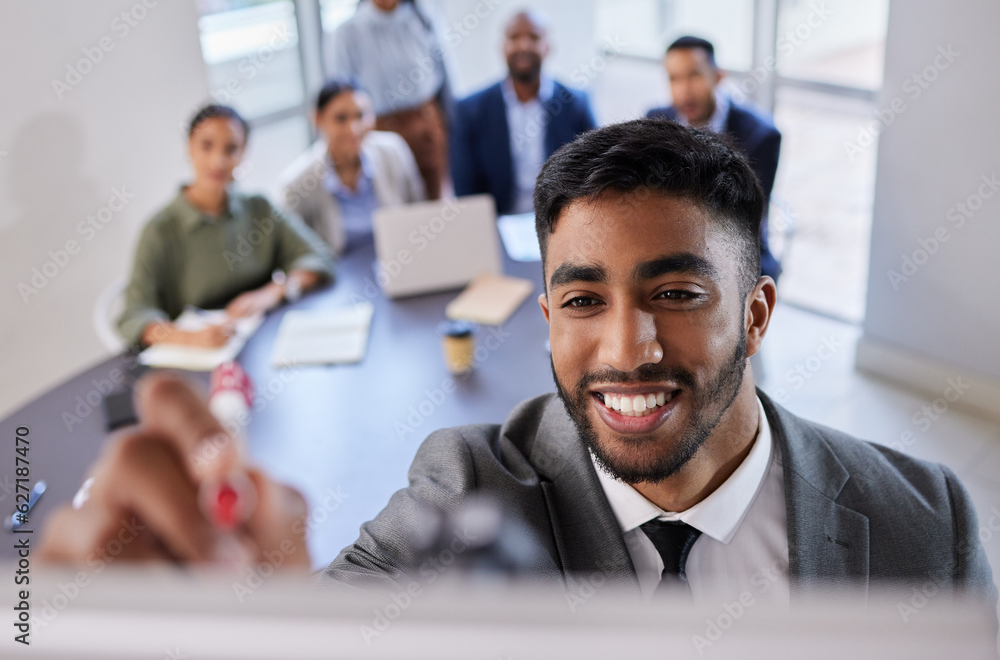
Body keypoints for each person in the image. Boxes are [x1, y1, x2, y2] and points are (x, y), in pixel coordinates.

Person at [46, 119, 996, 616]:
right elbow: (323, 626)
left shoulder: (929, 522)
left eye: (676, 293)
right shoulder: (465, 487)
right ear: (546, 319)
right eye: (584, 301)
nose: (627, 350)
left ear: (756, 313)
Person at [115, 104, 335, 349]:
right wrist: (188, 338)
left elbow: (318, 256)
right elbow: (134, 315)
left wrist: (271, 293)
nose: (218, 161)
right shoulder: (160, 230)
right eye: (206, 146)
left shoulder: (259, 208)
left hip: (262, 344)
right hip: (199, 358)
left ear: (243, 153)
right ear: (189, 148)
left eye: (231, 149)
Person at [326, 0, 451, 200]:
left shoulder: (425, 20)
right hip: (377, 135)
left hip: (426, 131)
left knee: (434, 215)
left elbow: (447, 84)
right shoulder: (347, 32)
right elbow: (341, 100)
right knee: (392, 217)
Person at [648, 36, 783, 279]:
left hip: (737, 246)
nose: (684, 90)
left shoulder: (760, 135)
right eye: (674, 78)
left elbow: (744, 218)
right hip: (669, 239)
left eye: (694, 75)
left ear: (718, 76)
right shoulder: (655, 119)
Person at [451, 10, 598, 215]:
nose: (523, 45)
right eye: (514, 37)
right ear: (502, 47)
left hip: (561, 221)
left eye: (534, 37)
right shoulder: (470, 110)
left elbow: (593, 173)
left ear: (547, 47)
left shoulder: (576, 104)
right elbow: (465, 188)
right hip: (498, 222)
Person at [281, 79, 425, 256]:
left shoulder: (392, 151)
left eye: (360, 115)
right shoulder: (297, 183)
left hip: (400, 258)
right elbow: (299, 253)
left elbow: (420, 213)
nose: (353, 128)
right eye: (341, 118)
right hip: (338, 273)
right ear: (318, 119)